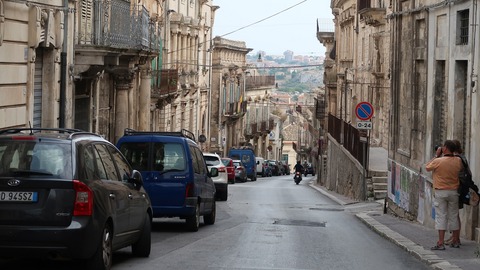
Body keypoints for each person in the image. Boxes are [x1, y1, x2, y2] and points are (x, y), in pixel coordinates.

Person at [426, 140, 463, 250]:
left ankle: (440, 242)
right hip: (454, 191)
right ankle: (455, 240)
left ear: (445, 148)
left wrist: (436, 155)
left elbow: (427, 167)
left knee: (441, 216)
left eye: (443, 147)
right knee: (453, 216)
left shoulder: (438, 161)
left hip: (441, 191)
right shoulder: (458, 161)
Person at [445, 140, 480, 246]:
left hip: (457, 189)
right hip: (460, 188)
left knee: (454, 215)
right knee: (454, 214)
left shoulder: (457, 159)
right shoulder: (462, 157)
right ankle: (454, 236)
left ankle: (456, 238)